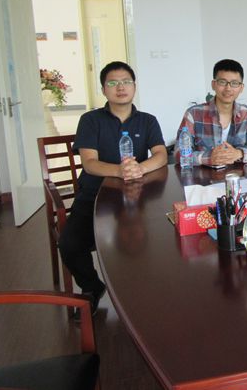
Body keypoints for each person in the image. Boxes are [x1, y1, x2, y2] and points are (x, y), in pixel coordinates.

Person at [58, 61, 167, 317]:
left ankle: (145, 287)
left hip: (138, 197)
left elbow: (161, 154)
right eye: (113, 83)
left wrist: (139, 168)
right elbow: (89, 163)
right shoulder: (90, 120)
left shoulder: (148, 121)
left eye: (126, 82)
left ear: (134, 87)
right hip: (95, 197)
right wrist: (119, 170)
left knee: (163, 239)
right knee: (70, 244)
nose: (121, 87)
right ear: (103, 89)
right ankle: (92, 287)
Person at [175, 59, 247, 167]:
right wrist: (208, 158)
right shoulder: (193, 113)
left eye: (234, 83)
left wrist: (239, 153)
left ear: (241, 88)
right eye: (222, 82)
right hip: (203, 176)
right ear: (213, 84)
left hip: (239, 174)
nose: (228, 88)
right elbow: (179, 153)